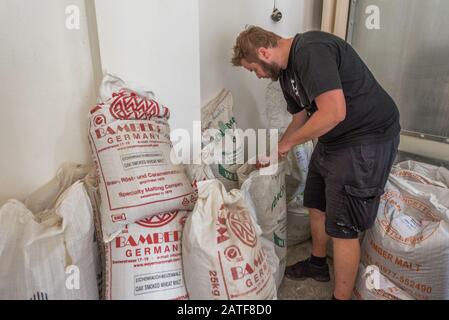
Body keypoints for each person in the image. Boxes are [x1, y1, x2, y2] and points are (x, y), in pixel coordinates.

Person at [231, 26, 400, 300]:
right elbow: (300, 119)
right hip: (333, 139)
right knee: (316, 203)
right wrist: (276, 152)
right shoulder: (285, 75)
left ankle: (341, 297)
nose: (259, 75)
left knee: (344, 225)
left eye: (254, 69)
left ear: (263, 52)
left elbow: (334, 112)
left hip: (366, 137)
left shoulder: (311, 50)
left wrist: (288, 144)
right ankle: (318, 264)